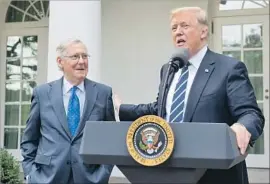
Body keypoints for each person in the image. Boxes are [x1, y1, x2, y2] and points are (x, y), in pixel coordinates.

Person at [113, 7, 264, 184]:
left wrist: (242, 127)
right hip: (169, 167)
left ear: (203, 32)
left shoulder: (228, 68)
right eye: (174, 27)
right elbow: (161, 109)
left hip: (214, 173)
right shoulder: (169, 69)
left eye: (184, 25)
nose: (178, 32)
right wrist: (121, 108)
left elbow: (250, 113)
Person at [20, 39, 115, 184]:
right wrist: (31, 174)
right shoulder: (42, 93)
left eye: (85, 56)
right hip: (47, 177)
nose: (82, 61)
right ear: (60, 62)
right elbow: (29, 139)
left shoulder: (103, 93)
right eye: (75, 57)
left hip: (90, 178)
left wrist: (103, 173)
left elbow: (110, 139)